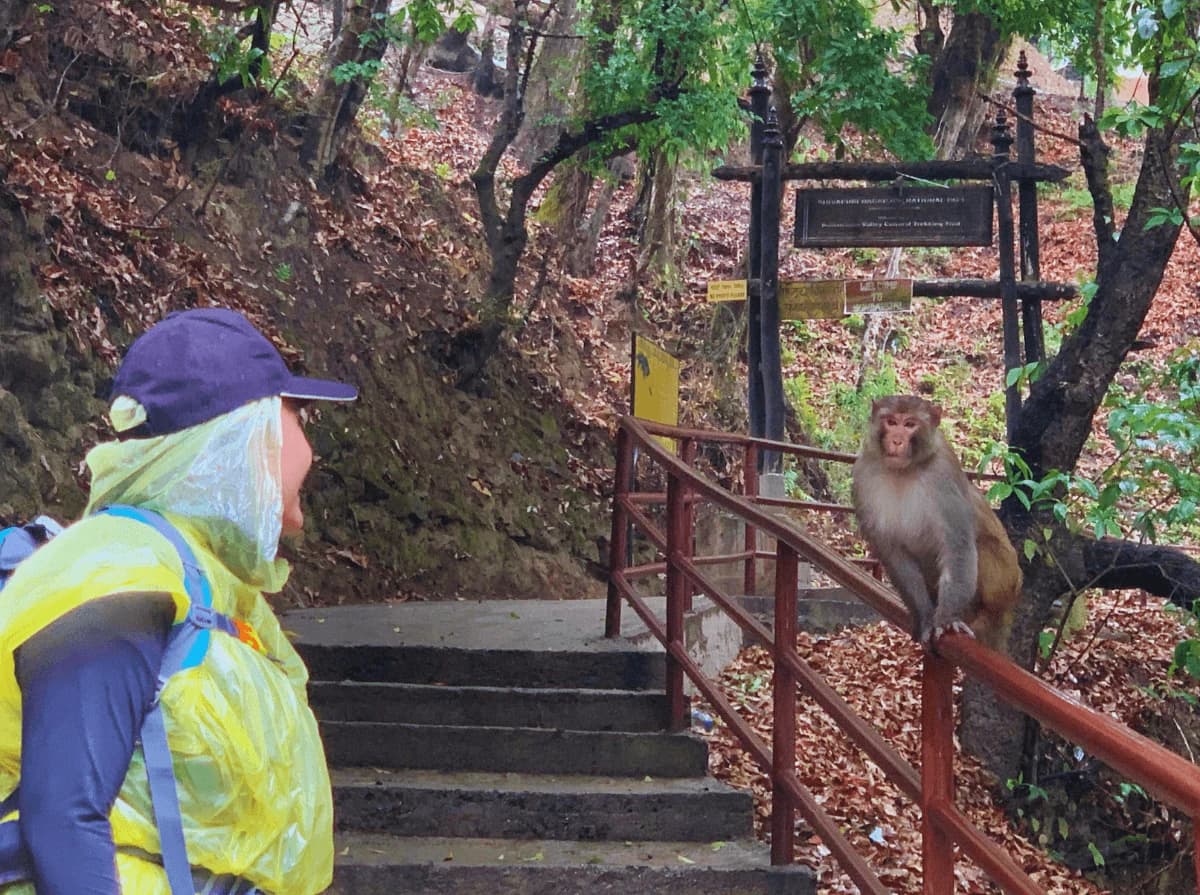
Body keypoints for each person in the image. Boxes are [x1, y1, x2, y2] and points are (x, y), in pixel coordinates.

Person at [0, 307, 357, 894]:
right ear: (243, 434)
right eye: (296, 413)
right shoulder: (117, 570)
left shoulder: (209, 587)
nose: (308, 442)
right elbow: (64, 820)